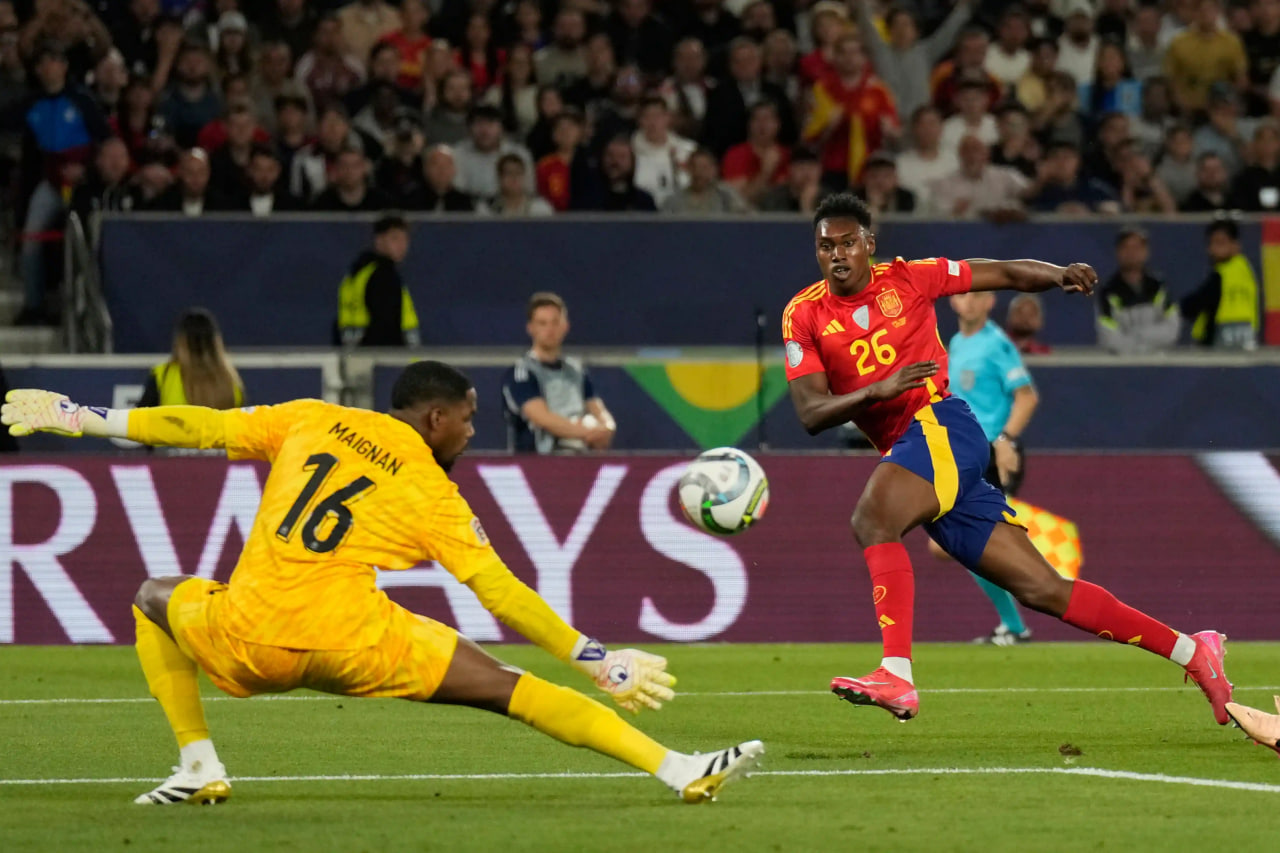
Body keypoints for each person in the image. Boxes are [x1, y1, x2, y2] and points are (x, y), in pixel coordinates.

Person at [0, 366, 762, 806]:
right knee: (512, 687)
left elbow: (197, 426)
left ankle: (198, 762)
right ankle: (677, 768)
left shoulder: (310, 418)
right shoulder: (431, 489)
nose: (471, 432)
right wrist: (594, 656)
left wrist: (79, 415)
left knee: (154, 596)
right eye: (466, 420)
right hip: (352, 641)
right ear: (434, 417)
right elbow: (500, 592)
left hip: (245, 633)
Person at [781, 193, 1231, 726]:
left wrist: (1059, 273)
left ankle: (896, 672)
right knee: (1043, 589)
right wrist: (876, 392)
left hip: (942, 426)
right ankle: (1194, 651)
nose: (837, 254)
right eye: (826, 246)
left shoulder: (909, 279)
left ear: (869, 244)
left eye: (848, 243)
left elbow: (1004, 272)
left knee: (872, 519)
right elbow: (811, 413)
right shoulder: (803, 314)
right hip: (916, 455)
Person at [933, 288, 1038, 645]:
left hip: (992, 454)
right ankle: (1015, 624)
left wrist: (1006, 439)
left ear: (990, 301)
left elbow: (1027, 396)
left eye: (978, 296)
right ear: (953, 301)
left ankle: (1017, 624)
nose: (971, 302)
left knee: (967, 542)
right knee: (953, 544)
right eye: (964, 296)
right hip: (964, 456)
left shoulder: (996, 344)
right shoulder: (955, 343)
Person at [502, 292, 616, 454]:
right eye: (542, 323)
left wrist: (607, 427)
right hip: (537, 462)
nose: (550, 329)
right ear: (531, 328)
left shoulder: (576, 371)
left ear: (565, 326)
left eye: (555, 322)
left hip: (580, 458)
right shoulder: (521, 373)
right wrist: (587, 432)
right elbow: (542, 418)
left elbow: (598, 409)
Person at [336, 213, 421, 348]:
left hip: (355, 354)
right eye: (395, 238)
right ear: (379, 240)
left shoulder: (357, 274)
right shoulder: (384, 276)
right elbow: (386, 327)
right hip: (383, 357)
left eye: (405, 239)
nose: (402, 245)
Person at [139, 308, 245, 409]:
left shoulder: (163, 376)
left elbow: (139, 419)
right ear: (215, 342)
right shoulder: (231, 382)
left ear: (180, 340)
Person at [1180, 218, 1261, 350]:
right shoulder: (1248, 272)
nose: (1213, 248)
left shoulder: (1221, 275)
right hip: (1245, 343)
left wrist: (1181, 307)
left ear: (1235, 245)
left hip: (1219, 345)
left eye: (1220, 243)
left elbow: (1194, 305)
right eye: (1211, 243)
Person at [1096, 226, 1179, 354]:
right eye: (1126, 247)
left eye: (1136, 247)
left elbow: (1171, 330)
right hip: (1122, 363)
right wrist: (1138, 350)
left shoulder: (1159, 287)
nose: (1131, 253)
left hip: (1158, 362)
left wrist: (1138, 336)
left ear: (1146, 252)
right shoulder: (1108, 292)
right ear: (1118, 252)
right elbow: (1109, 337)